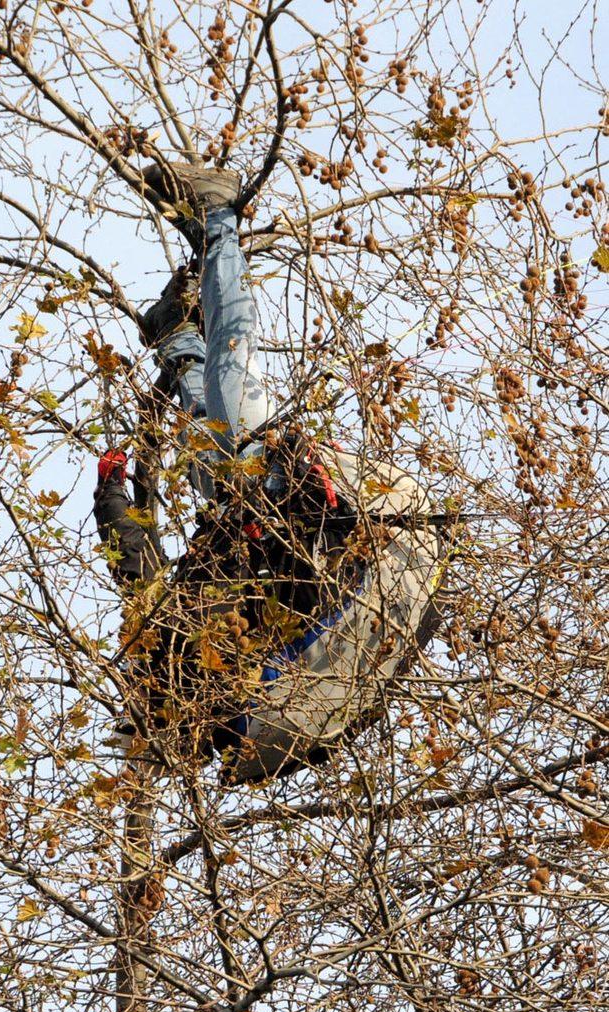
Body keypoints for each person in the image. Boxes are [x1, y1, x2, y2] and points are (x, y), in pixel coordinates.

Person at [94, 163, 444, 783]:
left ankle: (175, 338)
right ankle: (218, 221)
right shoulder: (205, 679)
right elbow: (143, 568)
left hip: (307, 528)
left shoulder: (198, 685)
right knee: (233, 367)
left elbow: (138, 568)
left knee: (216, 445)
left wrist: (117, 493)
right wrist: (116, 492)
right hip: (323, 521)